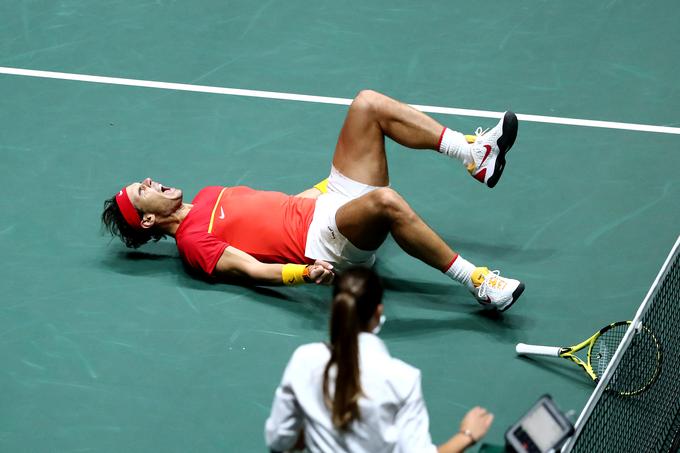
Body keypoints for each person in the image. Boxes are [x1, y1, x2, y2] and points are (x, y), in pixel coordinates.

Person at [101, 90, 524, 310]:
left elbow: (283, 204)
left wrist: (333, 186)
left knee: (367, 104)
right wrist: (302, 276)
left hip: (327, 205)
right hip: (326, 244)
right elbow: (250, 269)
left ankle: (475, 155)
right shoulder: (195, 243)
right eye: (144, 191)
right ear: (148, 222)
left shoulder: (209, 194)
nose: (152, 182)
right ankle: (480, 283)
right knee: (387, 202)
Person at [265, 267, 494, 452]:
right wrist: (467, 435)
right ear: (377, 313)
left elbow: (278, 441)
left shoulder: (304, 359)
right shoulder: (402, 379)